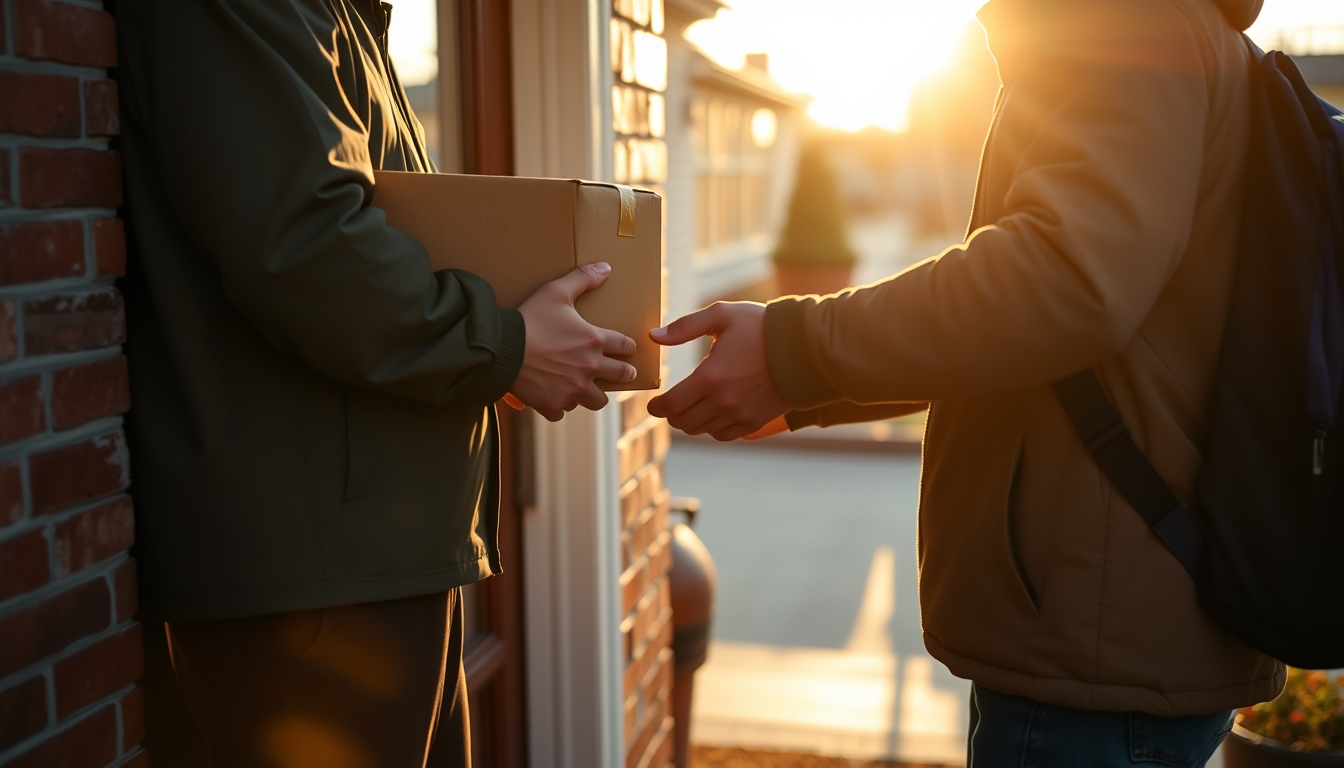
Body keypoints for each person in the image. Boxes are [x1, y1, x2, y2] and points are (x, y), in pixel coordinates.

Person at [649, 0, 1285, 764]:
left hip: (1092, 640)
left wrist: (796, 350)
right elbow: (1064, 333)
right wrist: (805, 386)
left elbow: (1062, 283)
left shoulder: (1129, 17)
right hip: (1114, 618)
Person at [116, 1, 634, 766]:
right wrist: (503, 345)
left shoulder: (340, 15)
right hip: (311, 576)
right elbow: (308, 244)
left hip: (361, 551)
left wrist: (494, 351)